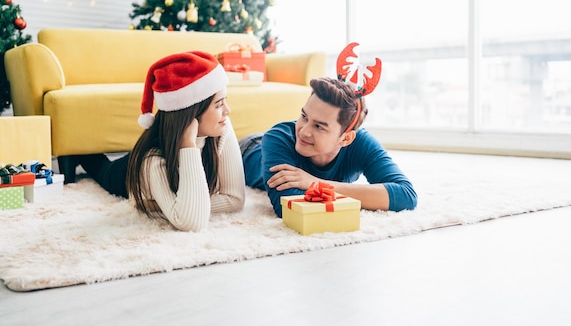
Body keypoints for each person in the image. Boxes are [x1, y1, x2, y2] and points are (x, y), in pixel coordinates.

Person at [240, 43, 417, 218]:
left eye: (319, 126)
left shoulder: (361, 142)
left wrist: (315, 183)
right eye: (304, 116)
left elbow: (406, 196)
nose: (303, 132)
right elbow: (288, 206)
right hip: (247, 149)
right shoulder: (278, 137)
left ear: (346, 139)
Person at [79, 51, 246, 231]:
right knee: (102, 170)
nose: (227, 110)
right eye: (219, 104)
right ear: (192, 114)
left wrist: (170, 206)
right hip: (126, 172)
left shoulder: (222, 126)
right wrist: (189, 146)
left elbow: (235, 199)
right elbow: (192, 222)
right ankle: (79, 154)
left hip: (172, 144)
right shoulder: (152, 159)